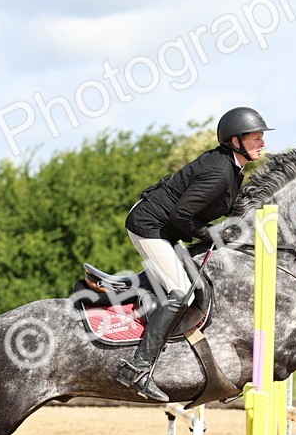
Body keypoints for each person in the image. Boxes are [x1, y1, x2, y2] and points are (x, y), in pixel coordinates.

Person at [116, 106, 273, 401]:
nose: (262, 143)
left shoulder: (232, 167)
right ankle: (137, 368)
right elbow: (182, 216)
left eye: (262, 138)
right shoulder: (219, 172)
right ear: (236, 141)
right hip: (150, 227)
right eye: (256, 138)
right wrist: (210, 234)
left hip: (167, 228)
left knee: (202, 287)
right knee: (181, 293)